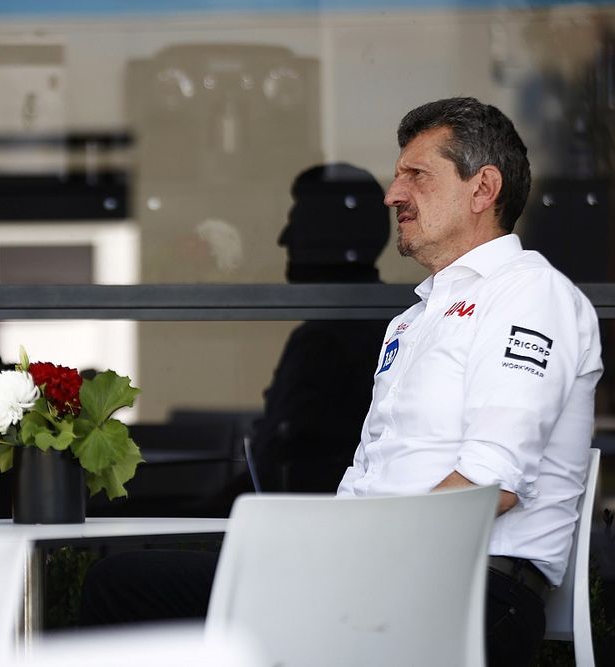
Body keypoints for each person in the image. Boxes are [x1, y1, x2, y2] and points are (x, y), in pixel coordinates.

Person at [81, 98, 602, 667]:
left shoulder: (528, 293)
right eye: (396, 175)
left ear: (483, 188)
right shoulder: (413, 319)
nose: (392, 194)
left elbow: (492, 482)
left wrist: (353, 553)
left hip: (469, 593)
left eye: (416, 175)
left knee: (123, 586)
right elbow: (365, 481)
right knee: (125, 580)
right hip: (378, 579)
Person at [250, 163, 389, 492]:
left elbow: (282, 460)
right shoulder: (391, 322)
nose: (283, 239)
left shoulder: (328, 339)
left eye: (297, 224)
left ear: (332, 236)